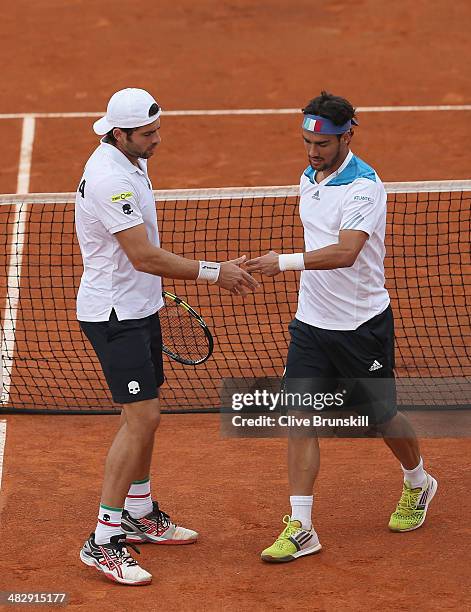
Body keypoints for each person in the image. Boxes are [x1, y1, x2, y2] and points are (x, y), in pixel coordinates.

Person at [75, 88, 258, 585]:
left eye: (157, 130)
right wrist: (213, 272)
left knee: (147, 419)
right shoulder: (112, 180)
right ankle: (103, 539)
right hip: (115, 315)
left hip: (140, 307)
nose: (157, 140)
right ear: (120, 133)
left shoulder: (128, 159)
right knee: (142, 418)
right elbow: (144, 256)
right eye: (147, 134)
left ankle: (137, 511)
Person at [246, 91, 437, 563]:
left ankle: (419, 481)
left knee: (380, 416)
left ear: (347, 134)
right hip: (311, 323)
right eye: (308, 140)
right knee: (299, 417)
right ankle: (302, 525)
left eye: (324, 143)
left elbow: (347, 252)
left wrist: (282, 262)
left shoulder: (364, 187)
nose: (314, 151)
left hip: (360, 324)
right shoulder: (308, 176)